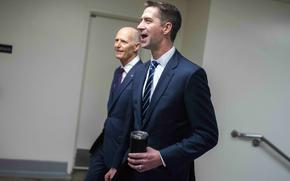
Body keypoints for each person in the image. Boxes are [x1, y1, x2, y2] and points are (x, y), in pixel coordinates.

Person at [105, 1, 218, 181]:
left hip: (167, 175)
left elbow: (207, 135)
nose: (140, 25)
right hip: (131, 174)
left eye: (147, 20)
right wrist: (115, 165)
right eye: (141, 20)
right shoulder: (140, 71)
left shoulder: (190, 74)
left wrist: (162, 157)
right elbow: (130, 123)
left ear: (166, 28)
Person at [85, 27, 142, 181]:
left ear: (137, 46)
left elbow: (134, 122)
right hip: (104, 145)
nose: (117, 44)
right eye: (116, 40)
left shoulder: (142, 74)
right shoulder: (118, 71)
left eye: (123, 41)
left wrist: (119, 162)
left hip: (121, 153)